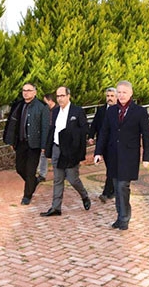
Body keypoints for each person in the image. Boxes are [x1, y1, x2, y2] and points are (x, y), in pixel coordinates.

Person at [94, 80, 149, 231]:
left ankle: (124, 218)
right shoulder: (111, 111)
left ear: (131, 93)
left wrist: (146, 156)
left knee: (122, 186)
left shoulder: (140, 111)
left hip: (129, 155)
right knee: (116, 186)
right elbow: (104, 132)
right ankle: (120, 216)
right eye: (119, 92)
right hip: (113, 154)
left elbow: (146, 135)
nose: (121, 95)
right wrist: (98, 152)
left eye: (124, 92)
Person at [40, 87, 91, 216]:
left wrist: (72, 135)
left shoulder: (77, 111)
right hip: (57, 149)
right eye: (58, 96)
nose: (60, 99)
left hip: (71, 151)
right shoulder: (55, 111)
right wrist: (48, 146)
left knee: (72, 179)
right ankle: (56, 208)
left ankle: (84, 195)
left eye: (62, 95)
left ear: (68, 96)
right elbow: (52, 129)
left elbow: (85, 129)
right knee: (58, 179)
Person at [3, 83, 50, 205]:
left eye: (29, 90)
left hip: (34, 144)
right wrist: (11, 140)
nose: (26, 93)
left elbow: (45, 127)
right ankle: (33, 182)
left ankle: (27, 196)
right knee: (19, 168)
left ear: (35, 92)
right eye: (24, 90)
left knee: (30, 171)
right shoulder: (19, 105)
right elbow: (12, 124)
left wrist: (44, 145)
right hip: (21, 143)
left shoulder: (42, 106)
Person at [87, 87, 117, 203]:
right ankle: (113, 190)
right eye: (108, 96)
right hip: (102, 144)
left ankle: (106, 192)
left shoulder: (120, 111)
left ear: (116, 97)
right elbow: (94, 124)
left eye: (112, 96)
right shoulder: (101, 110)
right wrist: (91, 136)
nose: (109, 98)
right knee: (111, 168)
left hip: (114, 145)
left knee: (111, 168)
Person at [36, 93, 56, 184]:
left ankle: (59, 174)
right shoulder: (46, 110)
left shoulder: (57, 110)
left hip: (55, 136)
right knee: (43, 154)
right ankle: (42, 174)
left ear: (50, 101)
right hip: (47, 135)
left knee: (55, 155)